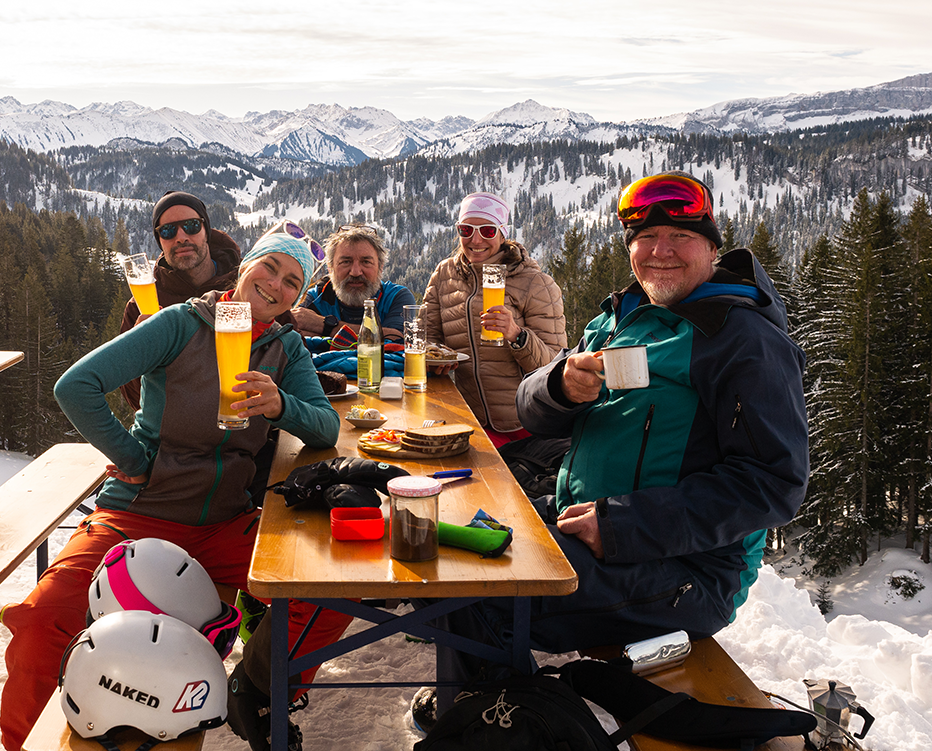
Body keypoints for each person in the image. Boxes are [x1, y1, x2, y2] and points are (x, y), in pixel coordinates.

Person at [419, 172, 809, 724]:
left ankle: (502, 723)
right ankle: (485, 706)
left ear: (712, 247)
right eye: (644, 238)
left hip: (683, 569)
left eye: (680, 236)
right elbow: (532, 410)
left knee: (477, 593)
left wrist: (621, 525)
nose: (660, 251)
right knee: (452, 541)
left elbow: (774, 482)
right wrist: (560, 386)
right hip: (585, 522)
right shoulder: (622, 316)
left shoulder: (741, 339)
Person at [0, 223, 352, 751]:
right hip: (138, 513)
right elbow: (76, 385)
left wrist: (282, 405)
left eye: (292, 282)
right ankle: (22, 742)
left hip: (225, 523)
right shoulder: (181, 324)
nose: (276, 285)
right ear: (247, 266)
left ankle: (254, 689)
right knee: (42, 621)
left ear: (296, 299)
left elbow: (325, 427)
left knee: (330, 589)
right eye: (270, 268)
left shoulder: (287, 348)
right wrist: (133, 457)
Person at [422, 192, 567, 447]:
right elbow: (428, 338)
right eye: (466, 230)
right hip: (467, 420)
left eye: (487, 231)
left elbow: (555, 366)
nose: (475, 239)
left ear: (502, 234)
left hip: (525, 422)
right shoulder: (444, 276)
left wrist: (516, 335)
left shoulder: (536, 284)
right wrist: (436, 359)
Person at [118, 191, 243, 411]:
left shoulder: (244, 287)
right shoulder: (141, 305)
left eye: (192, 226)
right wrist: (141, 353)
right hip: (175, 432)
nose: (181, 237)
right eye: (167, 231)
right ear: (160, 242)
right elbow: (135, 398)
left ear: (206, 231)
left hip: (243, 422)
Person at [293, 223, 416, 342]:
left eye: (366, 262)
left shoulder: (396, 297)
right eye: (346, 262)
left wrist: (323, 325)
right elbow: (294, 339)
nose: (355, 272)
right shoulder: (316, 298)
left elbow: (396, 341)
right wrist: (381, 334)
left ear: (380, 267)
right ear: (330, 268)